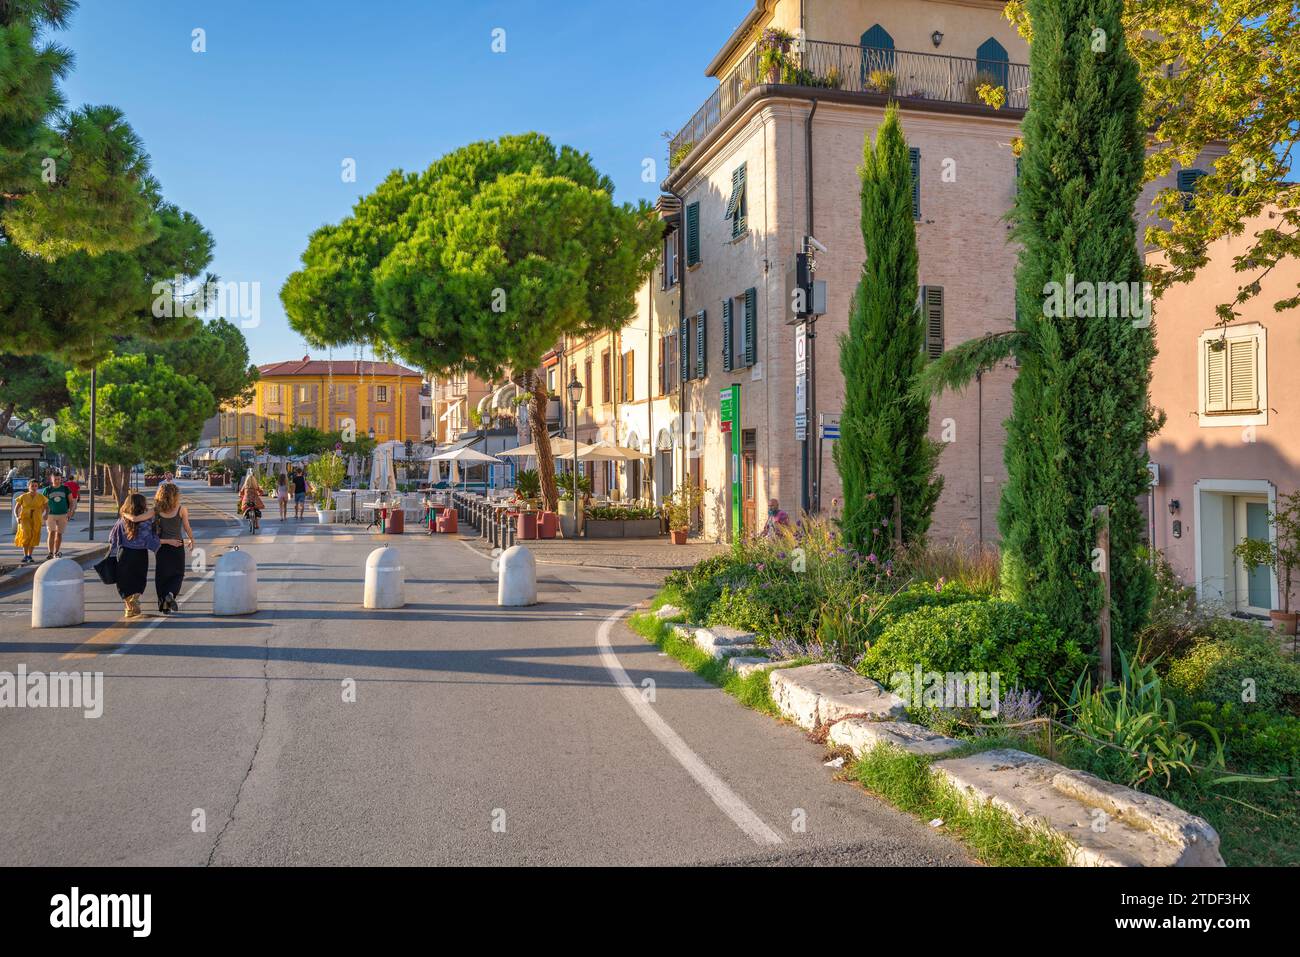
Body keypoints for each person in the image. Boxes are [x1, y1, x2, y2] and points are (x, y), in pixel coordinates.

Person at [108, 494, 160, 619]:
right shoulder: (148, 520)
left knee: (124, 581)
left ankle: (128, 608)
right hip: (140, 554)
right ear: (142, 504)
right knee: (139, 579)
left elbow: (112, 537)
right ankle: (134, 600)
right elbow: (151, 537)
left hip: (124, 553)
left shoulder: (122, 520)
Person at [152, 481, 193, 614]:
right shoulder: (181, 509)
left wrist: (126, 515)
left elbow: (142, 523)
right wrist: (192, 539)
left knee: (161, 576)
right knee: (178, 574)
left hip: (162, 547)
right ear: (175, 495)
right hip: (177, 546)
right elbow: (187, 528)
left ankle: (163, 604)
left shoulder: (156, 510)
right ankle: (171, 593)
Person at [41, 470, 73, 559]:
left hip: (63, 514)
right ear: (51, 479)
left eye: (58, 479)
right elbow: (43, 503)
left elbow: (71, 502)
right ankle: (50, 553)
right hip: (50, 514)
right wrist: (43, 514)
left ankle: (56, 552)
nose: (57, 481)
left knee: (59, 534)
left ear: (61, 479)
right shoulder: (47, 490)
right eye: (55, 479)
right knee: (51, 532)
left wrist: (70, 512)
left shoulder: (66, 489)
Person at [12, 483, 47, 565]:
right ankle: (25, 555)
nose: (34, 488)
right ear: (28, 487)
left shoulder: (41, 497)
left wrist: (46, 514)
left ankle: (29, 555)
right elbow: (16, 508)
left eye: (36, 486)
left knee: (33, 535)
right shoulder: (23, 496)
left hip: (36, 518)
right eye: (32, 486)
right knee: (26, 535)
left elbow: (47, 507)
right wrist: (17, 517)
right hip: (24, 518)